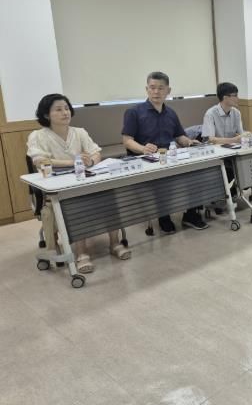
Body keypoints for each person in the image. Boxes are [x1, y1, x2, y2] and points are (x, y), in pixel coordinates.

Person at [27, 94, 130, 274]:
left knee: (109, 197)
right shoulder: (38, 136)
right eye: (58, 109)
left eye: (67, 108)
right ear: (46, 115)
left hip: (82, 182)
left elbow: (96, 152)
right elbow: (40, 161)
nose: (65, 112)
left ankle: (114, 243)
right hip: (57, 187)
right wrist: (73, 162)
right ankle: (82, 253)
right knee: (76, 204)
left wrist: (91, 161)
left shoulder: (79, 132)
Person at [122, 71, 208, 232]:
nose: (156, 92)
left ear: (168, 91)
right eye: (152, 87)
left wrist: (189, 142)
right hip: (145, 161)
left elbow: (179, 136)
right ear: (146, 89)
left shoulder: (171, 113)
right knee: (163, 180)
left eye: (161, 88)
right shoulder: (134, 112)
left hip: (169, 158)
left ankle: (190, 214)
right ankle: (164, 216)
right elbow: (127, 140)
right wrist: (143, 148)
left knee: (196, 173)